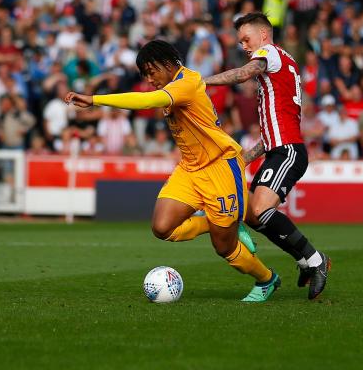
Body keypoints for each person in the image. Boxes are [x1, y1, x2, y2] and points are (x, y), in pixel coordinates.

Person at [65, 40, 279, 302]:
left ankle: (267, 279)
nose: (149, 79)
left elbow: (147, 101)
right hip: (190, 169)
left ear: (167, 64)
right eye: (144, 75)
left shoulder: (186, 82)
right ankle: (219, 223)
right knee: (163, 227)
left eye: (151, 71)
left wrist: (95, 100)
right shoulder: (172, 85)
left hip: (220, 167)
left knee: (223, 246)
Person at [203, 13, 330, 300]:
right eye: (240, 42)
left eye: (246, 39)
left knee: (259, 211)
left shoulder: (268, 53)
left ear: (263, 35)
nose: (244, 46)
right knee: (253, 214)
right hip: (278, 150)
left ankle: (316, 260)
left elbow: (242, 73)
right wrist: (245, 158)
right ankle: (305, 261)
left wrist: (202, 82)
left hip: (287, 152)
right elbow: (276, 127)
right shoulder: (282, 66)